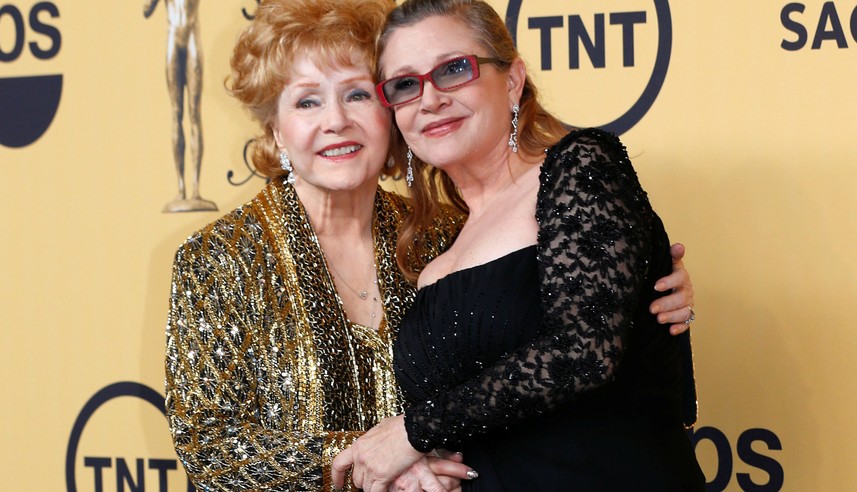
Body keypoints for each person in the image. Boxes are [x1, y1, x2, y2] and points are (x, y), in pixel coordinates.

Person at [165, 0, 697, 490]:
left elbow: (571, 339)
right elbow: (207, 442)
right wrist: (374, 460)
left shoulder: (440, 232)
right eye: (306, 102)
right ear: (276, 131)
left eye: (357, 94)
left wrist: (651, 301)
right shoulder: (220, 256)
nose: (336, 121)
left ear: (387, 115)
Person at [332, 0, 705, 491]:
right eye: (405, 85)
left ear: (512, 80)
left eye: (453, 70)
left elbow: (584, 352)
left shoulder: (579, 167)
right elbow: (468, 423)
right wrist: (422, 465)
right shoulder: (433, 257)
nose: (429, 99)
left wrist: (412, 434)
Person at [144, 0, 218, 212]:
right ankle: (180, 188)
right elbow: (146, 10)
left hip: (192, 38)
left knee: (194, 114)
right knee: (176, 114)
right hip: (173, 40)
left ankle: (195, 189)